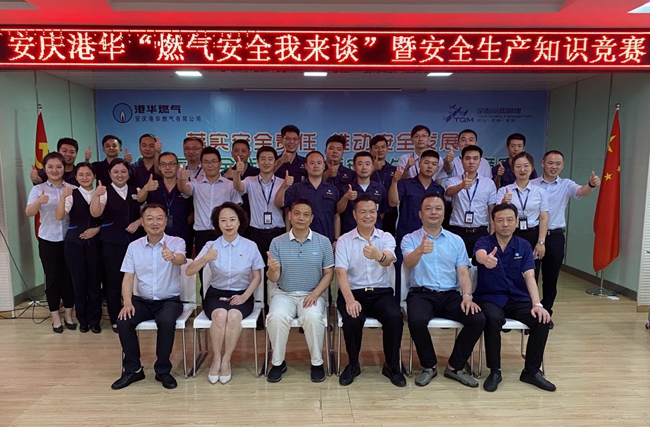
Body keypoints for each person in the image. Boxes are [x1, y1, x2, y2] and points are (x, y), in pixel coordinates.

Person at [402, 194, 485, 388]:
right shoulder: (410, 238)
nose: (434, 212)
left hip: (450, 295)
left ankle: (455, 366)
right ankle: (429, 366)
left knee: (477, 319)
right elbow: (408, 263)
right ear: (420, 214)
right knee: (416, 320)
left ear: (444, 213)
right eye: (428, 208)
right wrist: (420, 250)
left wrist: (467, 296)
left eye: (438, 208)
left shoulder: (456, 240)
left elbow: (463, 273)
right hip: (421, 293)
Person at [473, 203, 555, 392]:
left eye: (510, 220)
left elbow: (530, 276)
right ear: (493, 222)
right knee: (492, 318)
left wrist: (537, 304)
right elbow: (479, 255)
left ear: (517, 222)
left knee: (542, 320)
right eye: (500, 220)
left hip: (518, 299)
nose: (505, 224)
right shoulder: (484, 242)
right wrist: (485, 259)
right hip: (490, 298)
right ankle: (495, 371)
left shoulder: (523, 245)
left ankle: (531, 371)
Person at [186, 202, 264, 384]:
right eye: (223, 220)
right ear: (217, 223)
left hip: (243, 293)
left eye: (232, 219)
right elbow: (189, 271)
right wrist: (205, 258)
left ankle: (226, 360)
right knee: (220, 316)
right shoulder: (210, 245)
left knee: (234, 316)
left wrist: (244, 296)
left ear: (239, 222)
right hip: (216, 293)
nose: (228, 224)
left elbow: (257, 277)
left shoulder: (250, 246)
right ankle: (216, 359)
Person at [111, 204, 187, 391]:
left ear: (165, 222)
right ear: (143, 223)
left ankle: (163, 370)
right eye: (150, 218)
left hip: (169, 301)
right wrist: (127, 302)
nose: (155, 223)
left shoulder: (176, 242)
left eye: (159, 218)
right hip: (142, 301)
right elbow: (128, 277)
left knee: (167, 321)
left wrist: (171, 256)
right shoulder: (134, 247)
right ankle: (133, 369)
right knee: (123, 321)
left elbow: (181, 259)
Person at [335, 195, 405, 387]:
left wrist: (378, 256)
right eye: (363, 212)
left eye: (372, 212)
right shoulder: (344, 240)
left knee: (395, 317)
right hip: (354, 292)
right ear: (354, 214)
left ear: (377, 213)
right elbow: (341, 272)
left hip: (381, 292)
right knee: (352, 319)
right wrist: (350, 300)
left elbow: (388, 260)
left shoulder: (386, 237)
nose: (368, 216)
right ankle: (353, 364)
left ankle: (392, 366)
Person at [266, 199, 334, 383]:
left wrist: (315, 294)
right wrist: (272, 270)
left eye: (305, 215)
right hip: (284, 294)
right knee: (276, 317)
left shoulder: (323, 242)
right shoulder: (277, 242)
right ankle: (278, 363)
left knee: (313, 318)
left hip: (312, 294)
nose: (301, 218)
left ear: (311, 218)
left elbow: (329, 273)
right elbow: (273, 278)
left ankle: (317, 363)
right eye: (296, 214)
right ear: (289, 216)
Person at [531, 150, 601, 320]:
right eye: (550, 163)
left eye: (558, 164)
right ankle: (529, 312)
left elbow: (582, 191)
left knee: (551, 278)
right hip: (533, 235)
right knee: (530, 275)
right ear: (543, 164)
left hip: (555, 237)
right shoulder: (532, 184)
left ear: (562, 166)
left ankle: (546, 313)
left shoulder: (566, 184)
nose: (554, 166)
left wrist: (591, 185)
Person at [90, 158, 144, 333]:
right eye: (115, 172)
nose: (120, 175)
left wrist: (138, 222)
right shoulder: (104, 192)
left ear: (128, 173)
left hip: (134, 242)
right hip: (112, 243)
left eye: (123, 171)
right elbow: (96, 213)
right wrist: (96, 195)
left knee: (135, 280)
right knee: (113, 281)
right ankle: (115, 318)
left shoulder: (136, 191)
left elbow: (146, 213)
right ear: (109, 174)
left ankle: (134, 315)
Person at [25, 152, 76, 333]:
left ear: (64, 168)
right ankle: (55, 317)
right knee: (52, 278)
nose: (55, 170)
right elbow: (29, 212)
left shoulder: (72, 188)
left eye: (58, 167)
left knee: (69, 277)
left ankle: (69, 314)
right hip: (48, 239)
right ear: (45, 169)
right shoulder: (38, 189)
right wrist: (39, 201)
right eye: (50, 167)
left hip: (69, 240)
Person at [388, 150, 444, 297]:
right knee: (401, 271)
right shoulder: (405, 184)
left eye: (434, 164)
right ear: (419, 164)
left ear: (438, 167)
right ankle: (399, 302)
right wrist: (394, 182)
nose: (430, 166)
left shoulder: (439, 189)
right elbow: (393, 202)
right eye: (426, 162)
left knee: (428, 272)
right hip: (406, 236)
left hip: (431, 239)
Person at [56, 162, 102, 333]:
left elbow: (105, 217)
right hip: (74, 244)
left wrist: (96, 230)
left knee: (95, 283)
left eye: (88, 174)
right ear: (75, 177)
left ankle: (95, 320)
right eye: (81, 174)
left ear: (94, 176)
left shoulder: (101, 193)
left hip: (95, 244)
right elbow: (60, 216)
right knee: (78, 283)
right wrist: (62, 198)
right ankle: (82, 320)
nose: (85, 177)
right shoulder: (71, 194)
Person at [177, 146, 243, 258]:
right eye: (206, 162)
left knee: (225, 266)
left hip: (224, 232)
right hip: (201, 234)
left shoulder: (230, 185)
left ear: (220, 163)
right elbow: (184, 189)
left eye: (213, 161)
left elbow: (237, 209)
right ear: (201, 164)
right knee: (203, 266)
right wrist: (181, 179)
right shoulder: (196, 184)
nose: (210, 165)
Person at [497, 152, 548, 278]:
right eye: (518, 166)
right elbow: (497, 215)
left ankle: (531, 292)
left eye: (526, 166)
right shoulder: (504, 190)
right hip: (511, 234)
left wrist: (541, 242)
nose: (522, 170)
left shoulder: (540, 192)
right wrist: (503, 202)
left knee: (531, 272)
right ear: (512, 169)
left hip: (532, 234)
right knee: (509, 271)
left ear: (532, 168)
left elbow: (543, 217)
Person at [275, 151, 340, 244]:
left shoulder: (333, 189)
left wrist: (336, 239)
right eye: (312, 163)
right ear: (306, 166)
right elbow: (278, 203)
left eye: (319, 163)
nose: (316, 166)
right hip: (299, 240)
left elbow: (336, 215)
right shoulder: (296, 188)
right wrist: (284, 186)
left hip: (326, 240)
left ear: (324, 166)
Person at [445, 145, 498, 257]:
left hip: (480, 232)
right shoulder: (453, 181)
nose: (471, 162)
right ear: (462, 161)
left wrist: (492, 234)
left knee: (480, 263)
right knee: (456, 264)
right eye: (468, 158)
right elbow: (448, 193)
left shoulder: (488, 183)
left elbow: (491, 210)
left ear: (480, 161)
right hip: (457, 232)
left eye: (475, 158)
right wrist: (461, 186)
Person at [137, 152, 192, 256]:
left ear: (177, 166)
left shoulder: (185, 187)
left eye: (171, 164)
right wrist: (146, 188)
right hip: (156, 236)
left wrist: (182, 224)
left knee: (181, 263)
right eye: (163, 164)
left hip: (181, 235)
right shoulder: (153, 185)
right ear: (159, 167)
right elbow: (139, 199)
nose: (167, 167)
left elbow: (192, 212)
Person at [337, 151, 388, 235]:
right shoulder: (346, 188)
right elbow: (338, 210)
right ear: (354, 167)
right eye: (360, 164)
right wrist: (345, 198)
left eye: (367, 164)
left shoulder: (380, 189)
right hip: (350, 234)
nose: (364, 167)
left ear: (372, 167)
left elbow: (382, 213)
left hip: (374, 235)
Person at [222, 139, 260, 232]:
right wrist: (225, 178)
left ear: (249, 153)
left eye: (243, 151)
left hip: (254, 219)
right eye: (236, 151)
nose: (240, 154)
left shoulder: (257, 173)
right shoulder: (225, 173)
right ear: (232, 154)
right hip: (232, 218)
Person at [369, 135, 397, 235]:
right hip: (370, 210)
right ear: (370, 149)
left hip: (390, 211)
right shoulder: (365, 169)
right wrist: (373, 169)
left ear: (387, 149)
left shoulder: (393, 169)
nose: (380, 150)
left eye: (383, 147)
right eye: (376, 147)